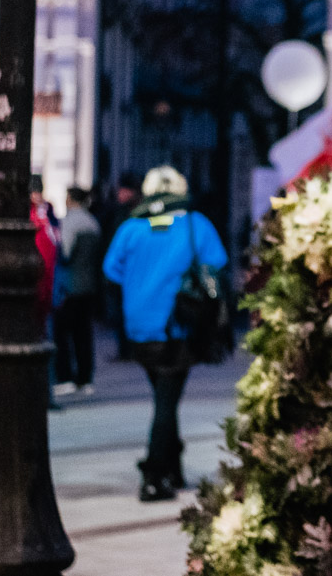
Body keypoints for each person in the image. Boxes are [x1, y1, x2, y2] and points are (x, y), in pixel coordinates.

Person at [104, 166, 228, 502]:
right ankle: (155, 474)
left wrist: (140, 283)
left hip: (139, 328)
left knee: (163, 395)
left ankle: (173, 466)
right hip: (178, 325)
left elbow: (111, 269)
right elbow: (217, 262)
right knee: (166, 399)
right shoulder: (195, 224)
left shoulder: (132, 227)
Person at [53, 186, 102, 397]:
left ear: (71, 200)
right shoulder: (92, 222)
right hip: (89, 285)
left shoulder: (70, 222)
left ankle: (66, 377)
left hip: (70, 285)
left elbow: (65, 252)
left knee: (62, 333)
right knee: (84, 333)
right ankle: (85, 377)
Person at [101, 171, 142, 360]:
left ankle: (130, 348)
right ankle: (126, 348)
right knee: (120, 311)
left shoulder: (129, 215)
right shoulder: (119, 212)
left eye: (122, 190)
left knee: (126, 311)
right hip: (121, 270)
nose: (119, 194)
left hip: (128, 271)